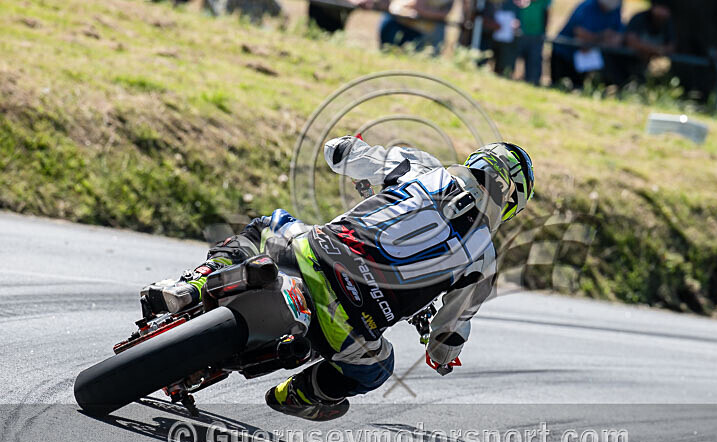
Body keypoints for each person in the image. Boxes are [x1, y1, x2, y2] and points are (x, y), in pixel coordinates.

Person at [144, 137, 535, 421]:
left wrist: (353, 146)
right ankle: (294, 394)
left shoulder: (420, 168)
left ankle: (192, 285)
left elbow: (339, 152)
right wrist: (441, 356)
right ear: (512, 204)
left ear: (476, 161)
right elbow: (449, 334)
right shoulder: (484, 257)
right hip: (350, 323)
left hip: (307, 253)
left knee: (263, 226)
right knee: (377, 369)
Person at [550, 0, 625, 88]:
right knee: (560, 87)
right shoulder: (588, 7)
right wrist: (602, 37)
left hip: (589, 58)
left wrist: (600, 39)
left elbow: (618, 36)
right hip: (565, 55)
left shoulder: (615, 9)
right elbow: (580, 34)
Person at [619, 0, 676, 84]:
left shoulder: (667, 23)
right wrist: (656, 50)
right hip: (626, 62)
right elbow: (631, 41)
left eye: (665, 10)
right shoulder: (640, 18)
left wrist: (650, 50)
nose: (663, 13)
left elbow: (671, 47)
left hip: (647, 66)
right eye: (661, 8)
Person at [379, 0, 454, 53]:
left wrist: (430, 13)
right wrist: (436, 14)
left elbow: (445, 13)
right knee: (388, 51)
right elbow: (419, 8)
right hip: (400, 21)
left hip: (421, 29)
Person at [513, 0, 551, 85]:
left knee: (534, 63)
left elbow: (547, 13)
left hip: (537, 35)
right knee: (514, 58)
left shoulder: (544, 2)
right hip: (520, 34)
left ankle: (533, 82)